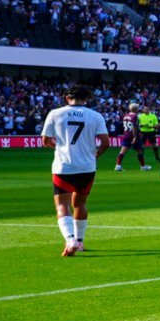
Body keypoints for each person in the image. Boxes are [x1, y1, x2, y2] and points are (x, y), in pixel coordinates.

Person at [41, 84, 110, 256]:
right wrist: (95, 155)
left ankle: (70, 239)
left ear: (66, 98)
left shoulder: (55, 114)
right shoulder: (95, 116)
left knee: (62, 205)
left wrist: (60, 148)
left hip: (63, 166)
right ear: (86, 99)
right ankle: (79, 242)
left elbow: (45, 140)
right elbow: (105, 142)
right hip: (87, 167)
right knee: (80, 203)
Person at [114, 101, 142, 171]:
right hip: (132, 135)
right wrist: (135, 136)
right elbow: (134, 127)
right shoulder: (135, 116)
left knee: (122, 151)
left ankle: (118, 165)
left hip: (126, 134)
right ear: (136, 109)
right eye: (138, 108)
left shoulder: (126, 116)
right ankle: (143, 166)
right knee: (139, 151)